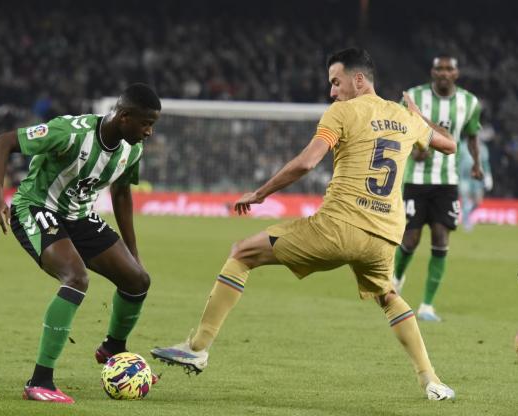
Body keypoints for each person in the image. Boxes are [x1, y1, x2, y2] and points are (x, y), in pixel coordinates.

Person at [151, 48, 457, 401]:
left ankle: (198, 346)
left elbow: (307, 162)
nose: (332, 91)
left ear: (358, 80)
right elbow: (448, 145)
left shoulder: (342, 111)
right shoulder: (404, 117)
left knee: (242, 253)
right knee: (388, 296)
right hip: (385, 235)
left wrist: (261, 193)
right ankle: (431, 380)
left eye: (336, 82)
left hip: (339, 227)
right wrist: (418, 115)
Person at [0, 83, 161, 404]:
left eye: (152, 125)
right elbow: (3, 142)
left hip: (78, 216)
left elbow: (121, 194)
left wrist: (134, 255)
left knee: (137, 281)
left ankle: (113, 350)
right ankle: (39, 381)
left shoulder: (131, 149)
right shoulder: (70, 132)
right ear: (124, 117)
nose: (149, 132)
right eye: (145, 123)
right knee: (76, 278)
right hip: (36, 208)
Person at [392, 54, 484, 321]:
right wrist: (413, 151)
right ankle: (396, 277)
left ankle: (427, 306)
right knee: (410, 238)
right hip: (415, 180)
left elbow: (472, 135)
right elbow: (398, 131)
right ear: (432, 72)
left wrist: (477, 165)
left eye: (449, 69)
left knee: (441, 238)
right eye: (439, 68)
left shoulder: (470, 102)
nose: (444, 73)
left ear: (456, 74)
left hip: (447, 182)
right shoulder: (412, 97)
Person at [459, 140, 493, 231]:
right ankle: (466, 221)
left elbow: (485, 163)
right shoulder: (462, 146)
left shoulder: (483, 148)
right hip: (464, 178)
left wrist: (488, 176)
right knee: (465, 200)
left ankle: (467, 215)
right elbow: (457, 162)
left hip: (477, 179)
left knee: (478, 201)